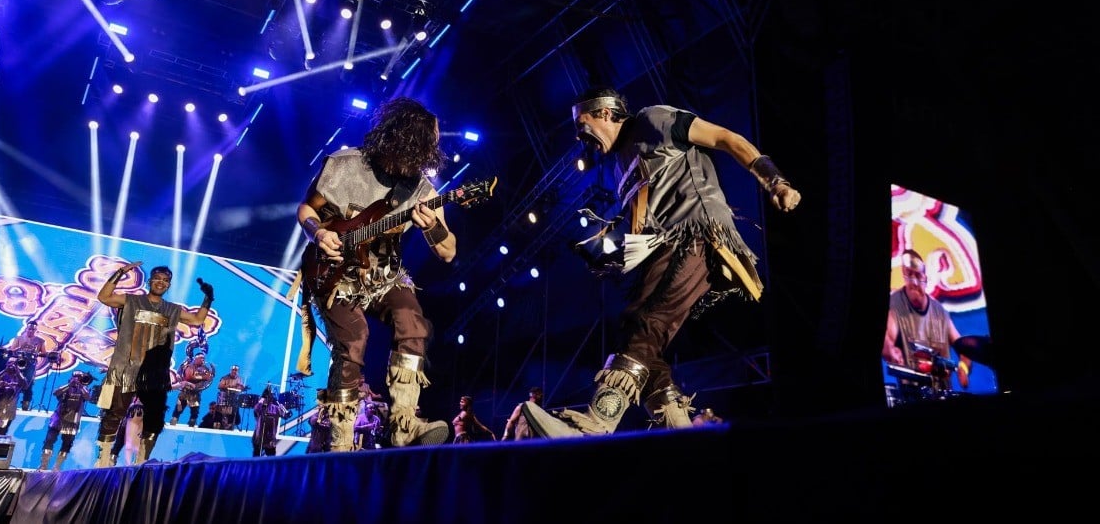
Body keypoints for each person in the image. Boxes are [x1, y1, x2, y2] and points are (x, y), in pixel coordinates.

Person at [522, 87, 802, 438]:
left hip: (697, 233)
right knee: (635, 325)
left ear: (606, 113)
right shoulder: (617, 165)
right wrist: (617, 251)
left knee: (648, 320)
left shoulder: (654, 119)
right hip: (662, 248)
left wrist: (773, 179)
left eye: (583, 123)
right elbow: (644, 219)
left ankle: (597, 423)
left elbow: (725, 137)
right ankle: (678, 427)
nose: (580, 135)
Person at [296, 96, 455, 451]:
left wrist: (432, 229)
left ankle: (404, 424)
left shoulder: (422, 191)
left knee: (413, 323)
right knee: (354, 340)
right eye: (428, 142)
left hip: (384, 274)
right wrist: (319, 232)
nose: (434, 149)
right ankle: (339, 439)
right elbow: (307, 207)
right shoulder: (344, 164)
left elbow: (448, 251)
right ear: (405, 139)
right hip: (334, 273)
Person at [93, 262, 215, 467]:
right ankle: (103, 459)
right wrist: (121, 272)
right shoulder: (131, 300)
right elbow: (104, 297)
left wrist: (208, 298)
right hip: (126, 368)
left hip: (155, 373)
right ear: (150, 281)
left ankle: (142, 462)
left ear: (168, 285)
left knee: (154, 419)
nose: (161, 283)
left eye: (165, 280)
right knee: (114, 413)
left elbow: (196, 320)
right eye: (157, 278)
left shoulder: (172, 310)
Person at [883, 249, 971, 398]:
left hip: (943, 395)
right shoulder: (894, 305)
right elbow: (887, 339)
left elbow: (965, 349)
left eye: (917, 275)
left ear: (925, 278)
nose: (914, 282)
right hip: (912, 398)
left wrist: (963, 368)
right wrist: (890, 350)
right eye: (908, 274)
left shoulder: (941, 312)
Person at [38, 371, 92, 471]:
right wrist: (69, 385)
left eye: (80, 378)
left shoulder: (84, 389)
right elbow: (55, 393)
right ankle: (43, 465)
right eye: (76, 377)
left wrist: (80, 386)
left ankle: (57, 467)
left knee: (67, 444)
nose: (78, 380)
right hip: (58, 419)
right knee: (49, 440)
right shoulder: (66, 388)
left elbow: (88, 397)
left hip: (72, 421)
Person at [5, 320, 48, 411]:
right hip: (18, 363)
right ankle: (9, 402)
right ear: (26, 329)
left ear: (36, 330)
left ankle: (25, 404)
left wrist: (37, 353)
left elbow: (44, 354)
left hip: (30, 365)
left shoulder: (40, 341)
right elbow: (12, 351)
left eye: (33, 329)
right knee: (14, 382)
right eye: (29, 329)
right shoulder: (19, 338)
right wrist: (20, 348)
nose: (31, 331)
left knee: (29, 384)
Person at [170, 351, 214, 427]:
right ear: (195, 359)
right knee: (179, 406)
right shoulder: (187, 365)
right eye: (201, 358)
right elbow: (179, 373)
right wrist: (180, 379)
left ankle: (192, 422)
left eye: (203, 358)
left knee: (194, 409)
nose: (203, 360)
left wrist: (196, 386)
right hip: (184, 391)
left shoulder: (205, 369)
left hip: (195, 393)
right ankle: (174, 418)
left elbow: (207, 382)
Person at [251, 387, 286, 457]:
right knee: (256, 456)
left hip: (270, 438)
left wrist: (282, 407)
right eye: (264, 397)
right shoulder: (260, 407)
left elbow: (285, 415)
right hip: (259, 436)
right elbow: (256, 410)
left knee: (271, 457)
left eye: (268, 397)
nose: (266, 399)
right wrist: (261, 401)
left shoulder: (276, 408)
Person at [216, 364, 246, 429]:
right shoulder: (225, 378)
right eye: (233, 370)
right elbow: (219, 386)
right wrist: (230, 386)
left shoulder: (239, 379)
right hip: (226, 398)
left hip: (235, 399)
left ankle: (231, 424)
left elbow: (240, 389)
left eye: (236, 370)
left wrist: (242, 387)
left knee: (235, 413)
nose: (234, 371)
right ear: (230, 370)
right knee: (226, 413)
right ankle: (224, 425)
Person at [306, 388, 332, 453]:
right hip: (314, 449)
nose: (316, 401)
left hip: (326, 449)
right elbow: (312, 422)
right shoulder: (315, 416)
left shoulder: (332, 417)